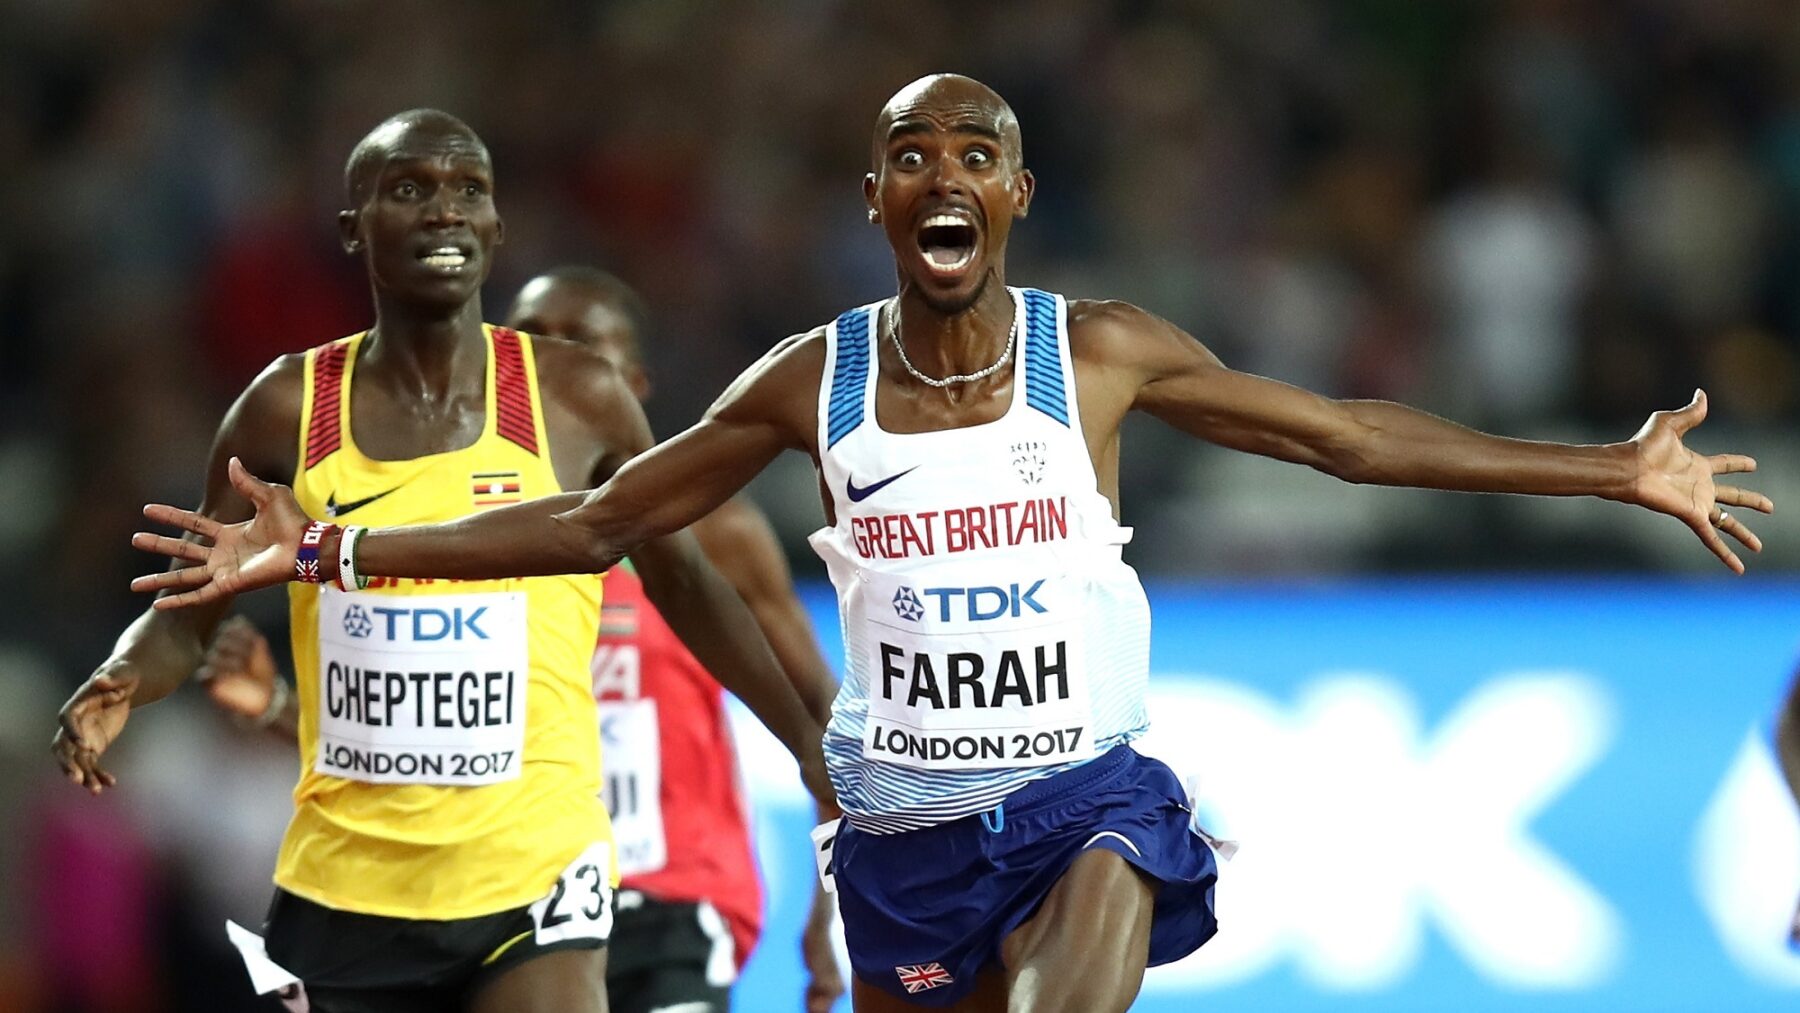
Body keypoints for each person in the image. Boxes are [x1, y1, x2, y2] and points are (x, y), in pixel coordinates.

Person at [125, 76, 1772, 1013]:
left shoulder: (1098, 353)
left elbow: (1342, 434)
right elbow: (599, 519)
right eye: (912, 154)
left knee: (1105, 887)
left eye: (975, 154)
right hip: (908, 833)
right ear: (875, 199)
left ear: (1017, 194)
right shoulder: (808, 382)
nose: (944, 176)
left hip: (1081, 797)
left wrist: (1608, 468)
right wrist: (335, 559)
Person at [53, 108, 829, 1013]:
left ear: (497, 228)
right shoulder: (284, 408)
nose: (444, 210)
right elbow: (190, 614)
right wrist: (120, 677)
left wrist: (803, 742)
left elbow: (688, 584)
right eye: (410, 189)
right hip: (347, 885)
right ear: (354, 227)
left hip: (538, 869)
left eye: (469, 190)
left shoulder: (577, 400)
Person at [195, 265, 847, 1013]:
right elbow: (433, 738)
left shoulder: (716, 534)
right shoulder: (461, 543)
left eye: (584, 344)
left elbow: (819, 723)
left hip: (667, 902)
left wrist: (828, 914)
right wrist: (280, 708)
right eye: (533, 340)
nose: (555, 360)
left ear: (631, 382)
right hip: (516, 897)